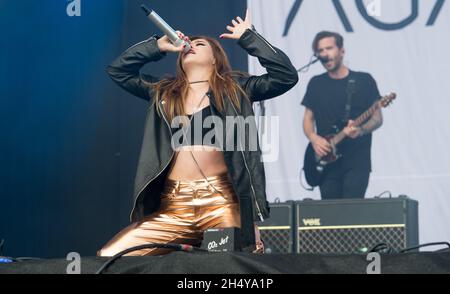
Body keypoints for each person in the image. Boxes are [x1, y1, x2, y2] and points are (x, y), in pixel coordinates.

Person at [98, 10, 298, 256]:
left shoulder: (236, 90)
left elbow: (286, 77)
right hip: (174, 206)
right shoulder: (162, 94)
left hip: (220, 202)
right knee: (110, 256)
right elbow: (118, 71)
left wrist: (248, 37)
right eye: (188, 44)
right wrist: (157, 46)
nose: (190, 45)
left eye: (199, 44)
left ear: (215, 58)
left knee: (233, 260)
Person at [302, 31, 383, 200]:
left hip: (356, 161)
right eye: (320, 50)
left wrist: (360, 130)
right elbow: (308, 118)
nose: (325, 54)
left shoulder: (364, 80)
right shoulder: (316, 83)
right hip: (326, 160)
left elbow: (377, 118)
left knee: (351, 214)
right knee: (330, 216)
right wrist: (314, 138)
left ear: (341, 50)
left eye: (329, 48)